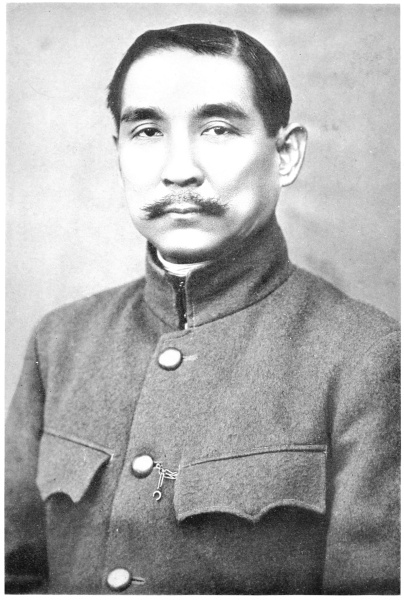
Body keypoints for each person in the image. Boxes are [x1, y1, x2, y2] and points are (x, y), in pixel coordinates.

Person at [5, 23, 399, 595]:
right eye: (146, 131)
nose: (179, 169)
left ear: (285, 155)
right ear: (118, 152)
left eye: (217, 129)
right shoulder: (61, 340)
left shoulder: (364, 355)